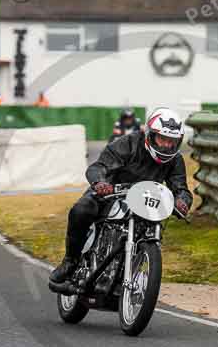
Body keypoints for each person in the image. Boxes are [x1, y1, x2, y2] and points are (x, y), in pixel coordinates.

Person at [49, 106, 192, 292]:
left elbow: (181, 188)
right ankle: (70, 261)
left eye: (171, 142)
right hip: (110, 193)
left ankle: (132, 269)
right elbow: (98, 167)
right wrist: (100, 183)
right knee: (82, 209)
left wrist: (182, 201)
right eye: (162, 139)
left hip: (146, 201)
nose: (166, 145)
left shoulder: (175, 160)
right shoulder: (127, 144)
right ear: (150, 135)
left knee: (150, 228)